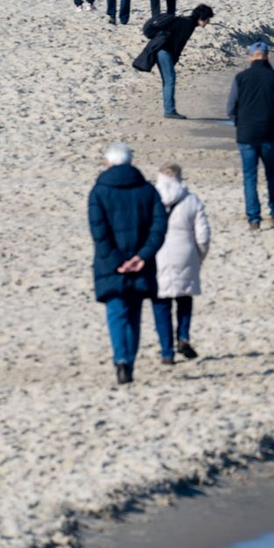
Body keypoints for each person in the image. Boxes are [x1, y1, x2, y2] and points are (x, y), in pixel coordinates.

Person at [88, 142, 167, 385]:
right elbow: (159, 228)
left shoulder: (99, 191)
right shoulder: (147, 190)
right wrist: (141, 257)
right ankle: (127, 362)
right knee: (133, 315)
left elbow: (99, 232)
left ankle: (122, 359)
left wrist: (117, 261)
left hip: (113, 265)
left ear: (108, 163)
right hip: (139, 263)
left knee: (117, 313)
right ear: (130, 161)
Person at [226, 41, 274, 230]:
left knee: (249, 177)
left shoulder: (241, 77)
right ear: (267, 56)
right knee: (272, 175)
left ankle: (254, 219)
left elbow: (231, 108)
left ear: (250, 57)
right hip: (269, 133)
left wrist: (240, 123)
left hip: (246, 133)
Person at [149, 164, 209, 363]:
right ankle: (183, 337)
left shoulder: (150, 198)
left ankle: (167, 351)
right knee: (185, 297)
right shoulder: (191, 200)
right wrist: (200, 255)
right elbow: (203, 234)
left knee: (161, 302)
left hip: (157, 251)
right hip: (185, 251)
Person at [146, 4, 213, 120]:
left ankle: (169, 108)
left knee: (167, 80)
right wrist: (174, 58)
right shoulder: (188, 25)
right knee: (169, 80)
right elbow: (178, 44)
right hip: (164, 51)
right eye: (208, 19)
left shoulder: (185, 21)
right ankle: (169, 110)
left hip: (159, 49)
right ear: (202, 18)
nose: (208, 22)